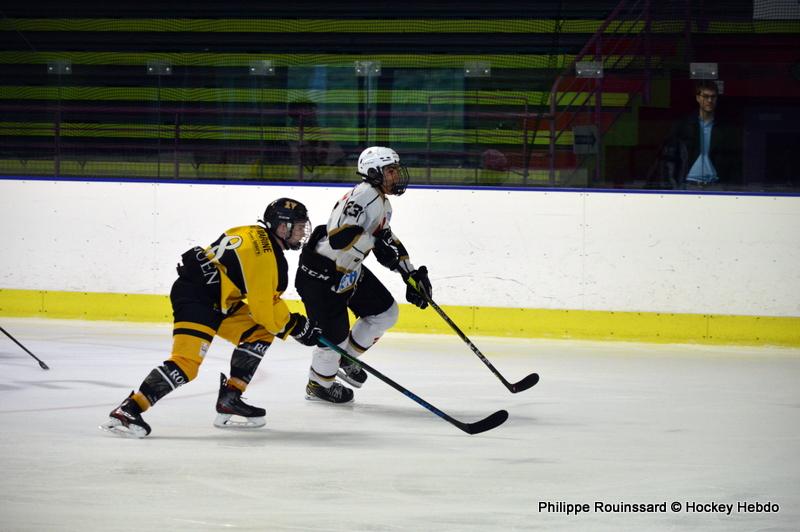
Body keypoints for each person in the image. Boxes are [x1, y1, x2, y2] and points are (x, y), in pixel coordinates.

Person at [100, 198, 321, 438]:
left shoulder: (250, 231)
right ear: (282, 227)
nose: (302, 233)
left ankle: (230, 398)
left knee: (259, 332)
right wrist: (295, 326)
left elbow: (260, 302)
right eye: (298, 227)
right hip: (198, 299)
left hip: (218, 299)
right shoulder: (268, 259)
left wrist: (292, 324)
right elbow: (264, 309)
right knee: (186, 364)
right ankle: (129, 408)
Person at [295, 146, 432, 403]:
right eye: (390, 171)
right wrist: (374, 242)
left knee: (385, 312)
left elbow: (386, 238)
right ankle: (319, 384)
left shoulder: (382, 202)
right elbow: (338, 238)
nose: (396, 176)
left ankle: (345, 359)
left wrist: (410, 273)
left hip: (350, 272)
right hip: (320, 276)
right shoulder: (363, 196)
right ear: (373, 172)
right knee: (332, 337)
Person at [663, 80, 742, 188]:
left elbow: (732, 160)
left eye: (713, 97)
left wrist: (730, 186)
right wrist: (673, 184)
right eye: (705, 96)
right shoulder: (683, 126)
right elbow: (670, 157)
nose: (709, 100)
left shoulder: (725, 128)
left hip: (716, 184)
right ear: (698, 98)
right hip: (688, 183)